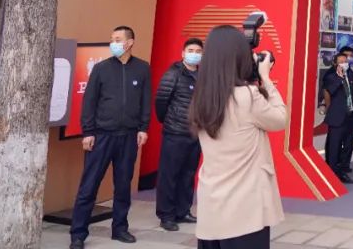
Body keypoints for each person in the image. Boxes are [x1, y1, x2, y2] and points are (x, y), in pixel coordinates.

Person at [190, 25, 288, 249]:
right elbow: (280, 118)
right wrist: (266, 78)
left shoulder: (202, 96)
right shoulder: (247, 96)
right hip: (245, 210)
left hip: (212, 205)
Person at [71, 26, 151, 249]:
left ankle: (120, 228)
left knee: (123, 186)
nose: (113, 43)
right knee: (89, 186)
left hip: (128, 137)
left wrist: (143, 128)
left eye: (118, 39)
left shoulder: (142, 68)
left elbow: (145, 101)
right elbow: (89, 102)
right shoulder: (101, 68)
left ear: (130, 42)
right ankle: (78, 233)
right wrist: (88, 132)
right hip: (101, 136)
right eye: (112, 39)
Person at [155, 37, 204, 232]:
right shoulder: (173, 74)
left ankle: (183, 211)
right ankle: (166, 215)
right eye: (190, 50)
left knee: (188, 174)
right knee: (169, 175)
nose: (194, 54)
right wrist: (170, 121)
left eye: (198, 51)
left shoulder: (203, 76)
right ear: (183, 53)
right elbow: (161, 102)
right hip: (175, 133)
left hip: (195, 134)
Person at [322, 49, 353, 184]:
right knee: (334, 147)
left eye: (346, 61)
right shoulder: (331, 76)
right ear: (335, 64)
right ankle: (332, 174)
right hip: (337, 117)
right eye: (341, 62)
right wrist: (340, 77)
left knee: (348, 145)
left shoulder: (351, 76)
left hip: (351, 116)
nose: (344, 64)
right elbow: (330, 90)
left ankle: (343, 170)